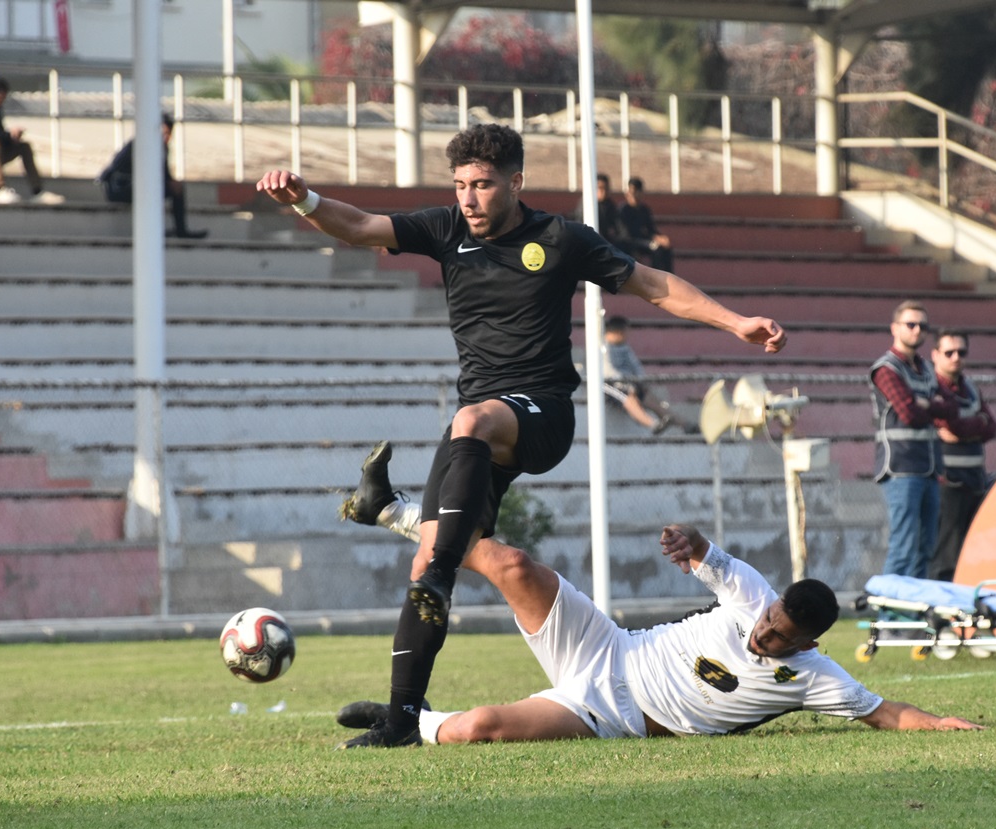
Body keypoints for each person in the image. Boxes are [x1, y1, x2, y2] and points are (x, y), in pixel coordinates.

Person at [256, 123, 786, 747]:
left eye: (482, 185)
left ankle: (434, 569)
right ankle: (401, 720)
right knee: (432, 554)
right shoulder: (446, 229)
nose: (469, 200)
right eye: (460, 187)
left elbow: (654, 284)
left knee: (468, 434)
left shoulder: (561, 239)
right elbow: (362, 227)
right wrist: (304, 200)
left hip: (541, 414)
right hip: (475, 435)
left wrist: (736, 322)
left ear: (515, 182)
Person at [335, 522, 984, 747]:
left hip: (612, 712)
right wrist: (690, 543)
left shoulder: (814, 679)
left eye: (781, 636)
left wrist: (939, 721)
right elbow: (709, 556)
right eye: (769, 620)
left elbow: (883, 711)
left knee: (478, 728)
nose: (764, 634)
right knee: (514, 565)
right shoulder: (755, 593)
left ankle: (406, 722)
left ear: (808, 641)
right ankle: (391, 509)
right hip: (610, 646)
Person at [869, 301, 958, 579]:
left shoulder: (927, 369)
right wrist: (932, 405)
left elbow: (952, 408)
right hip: (901, 468)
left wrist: (926, 404)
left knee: (925, 548)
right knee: (904, 546)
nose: (917, 329)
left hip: (929, 468)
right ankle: (889, 618)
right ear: (895, 328)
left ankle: (914, 615)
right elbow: (908, 413)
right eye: (911, 324)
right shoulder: (886, 368)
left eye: (922, 325)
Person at [928, 330, 996, 582]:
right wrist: (975, 424)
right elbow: (950, 425)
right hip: (949, 481)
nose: (956, 357)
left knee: (970, 548)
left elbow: (991, 427)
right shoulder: (931, 386)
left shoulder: (970, 387)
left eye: (961, 352)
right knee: (947, 551)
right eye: (949, 352)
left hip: (974, 479)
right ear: (935, 355)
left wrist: (966, 429)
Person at [98, 113, 208, 239]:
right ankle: (153, 231)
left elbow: (165, 175)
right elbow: (117, 170)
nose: (166, 137)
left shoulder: (163, 148)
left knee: (176, 188)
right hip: (120, 187)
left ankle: (180, 230)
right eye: (163, 132)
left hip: (141, 186)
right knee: (153, 188)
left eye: (168, 133)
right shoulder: (138, 145)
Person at [0, 77, 64, 205]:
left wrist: (12, 138)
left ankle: (37, 191)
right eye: (0, 97)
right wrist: (7, 135)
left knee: (23, 147)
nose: (1, 101)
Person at [603, 315, 695, 435]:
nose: (627, 335)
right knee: (629, 399)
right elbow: (607, 371)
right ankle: (653, 424)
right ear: (618, 332)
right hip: (610, 385)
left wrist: (640, 382)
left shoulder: (624, 347)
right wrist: (627, 384)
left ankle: (684, 424)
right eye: (626, 332)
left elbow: (636, 366)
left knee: (650, 398)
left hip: (629, 384)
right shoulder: (602, 348)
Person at [619, 176, 674, 272]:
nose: (632, 195)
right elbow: (626, 235)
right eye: (630, 192)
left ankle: (669, 276)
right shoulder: (623, 210)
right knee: (656, 248)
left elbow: (651, 229)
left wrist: (660, 238)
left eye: (635, 192)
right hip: (630, 242)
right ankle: (655, 277)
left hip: (644, 241)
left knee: (666, 247)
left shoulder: (644, 209)